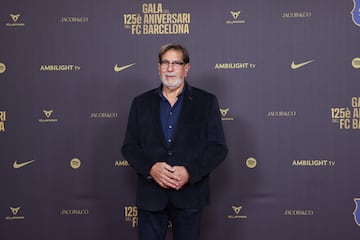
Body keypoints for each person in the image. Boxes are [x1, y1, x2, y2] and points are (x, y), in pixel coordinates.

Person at [121, 43, 228, 240]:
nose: (170, 69)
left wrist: (189, 172)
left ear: (186, 68)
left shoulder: (206, 102)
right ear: (158, 66)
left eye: (176, 63)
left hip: (189, 195)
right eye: (165, 63)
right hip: (151, 196)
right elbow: (129, 147)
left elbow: (217, 148)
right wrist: (151, 168)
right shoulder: (140, 103)